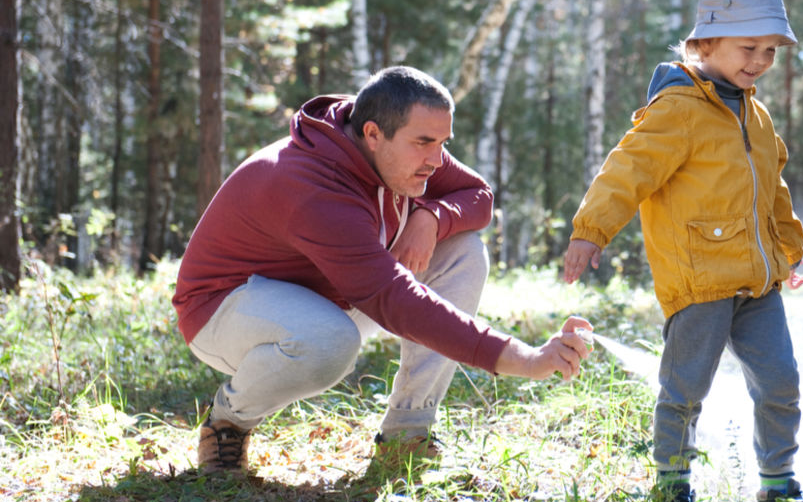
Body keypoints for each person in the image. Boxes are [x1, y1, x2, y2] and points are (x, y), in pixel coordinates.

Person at [174, 66, 593, 476]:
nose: (436, 160)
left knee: (464, 250)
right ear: (373, 134)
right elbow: (397, 302)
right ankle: (229, 422)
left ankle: (407, 434)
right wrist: (525, 359)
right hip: (224, 310)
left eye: (443, 143)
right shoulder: (313, 187)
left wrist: (431, 218)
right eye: (424, 143)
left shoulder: (395, 147)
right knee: (330, 341)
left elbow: (478, 196)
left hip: (332, 294)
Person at [562, 0, 803, 502]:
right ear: (705, 43)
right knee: (685, 389)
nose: (760, 61)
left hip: (758, 284)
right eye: (749, 47)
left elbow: (772, 189)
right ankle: (673, 486)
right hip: (699, 282)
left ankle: (778, 486)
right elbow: (627, 172)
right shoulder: (677, 109)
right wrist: (590, 230)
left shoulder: (756, 113)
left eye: (770, 50)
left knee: (781, 383)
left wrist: (787, 250)